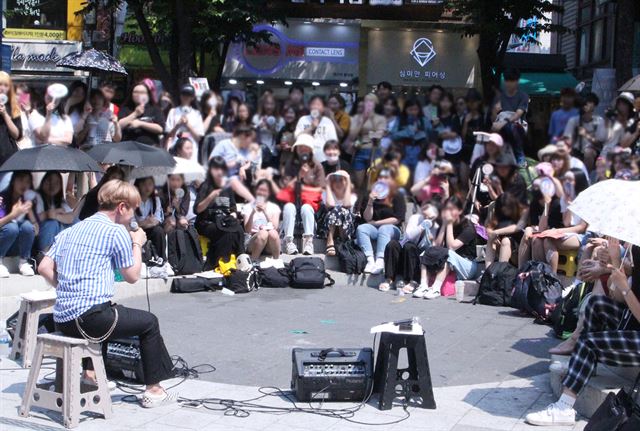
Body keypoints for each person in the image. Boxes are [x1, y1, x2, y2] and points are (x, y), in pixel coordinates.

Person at [38, 180, 176, 408]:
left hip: (62, 319)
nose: (133, 216)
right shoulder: (115, 231)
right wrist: (136, 243)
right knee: (149, 323)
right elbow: (132, 275)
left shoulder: (73, 229)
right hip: (90, 319)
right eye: (132, 209)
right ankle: (154, 389)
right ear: (122, 207)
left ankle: (90, 375)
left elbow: (44, 267)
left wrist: (66, 288)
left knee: (110, 310)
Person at [525, 245, 640, 427]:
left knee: (589, 344)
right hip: (631, 322)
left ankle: (564, 408)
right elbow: (615, 295)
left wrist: (625, 287)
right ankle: (582, 369)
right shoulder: (636, 247)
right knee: (596, 303)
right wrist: (615, 261)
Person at [414, 196, 478, 299]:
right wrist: (444, 224)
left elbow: (452, 247)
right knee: (427, 252)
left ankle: (435, 289)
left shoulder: (468, 228)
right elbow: (436, 246)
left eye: (452, 209)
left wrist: (449, 224)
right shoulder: (444, 223)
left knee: (448, 255)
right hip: (450, 262)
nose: (448, 212)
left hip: (468, 266)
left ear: (460, 211)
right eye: (446, 209)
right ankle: (423, 286)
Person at [194, 156, 245, 269]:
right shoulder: (206, 186)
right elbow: (197, 209)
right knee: (225, 232)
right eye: (216, 169)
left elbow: (233, 208)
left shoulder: (228, 187)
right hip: (207, 222)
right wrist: (210, 197)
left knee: (239, 229)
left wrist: (233, 215)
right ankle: (219, 263)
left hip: (224, 221)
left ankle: (240, 260)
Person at [280, 135, 326, 255]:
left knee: (306, 208)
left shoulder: (317, 165)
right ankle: (289, 241)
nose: (303, 150)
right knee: (289, 207)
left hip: (310, 203)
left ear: (310, 149)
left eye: (306, 147)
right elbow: (285, 187)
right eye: (300, 147)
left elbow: (320, 188)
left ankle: (309, 242)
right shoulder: (290, 163)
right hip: (292, 200)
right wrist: (299, 176)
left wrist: (306, 184)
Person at [379, 203, 439, 293]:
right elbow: (408, 236)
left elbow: (432, 247)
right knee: (393, 244)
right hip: (404, 253)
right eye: (424, 215)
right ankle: (388, 279)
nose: (427, 219)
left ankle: (413, 281)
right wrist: (421, 227)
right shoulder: (415, 218)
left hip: (418, 259)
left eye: (430, 217)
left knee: (410, 247)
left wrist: (430, 234)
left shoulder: (436, 226)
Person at [357, 173, 405, 275]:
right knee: (362, 228)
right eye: (380, 177)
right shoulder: (370, 194)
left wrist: (376, 223)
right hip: (374, 229)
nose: (382, 180)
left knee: (384, 228)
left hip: (392, 229)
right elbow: (367, 218)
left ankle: (380, 259)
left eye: (386, 177)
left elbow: (397, 219)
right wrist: (370, 201)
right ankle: (370, 259)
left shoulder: (397, 195)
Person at [0, 171, 37, 277]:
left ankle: (24, 262)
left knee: (27, 226)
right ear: (13, 182)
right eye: (20, 180)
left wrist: (30, 213)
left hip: (17, 246)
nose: (24, 185)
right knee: (12, 227)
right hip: (3, 242)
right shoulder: (2, 199)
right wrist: (13, 214)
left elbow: (36, 231)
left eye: (27, 182)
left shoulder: (28, 200)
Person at [348, 93, 386, 192]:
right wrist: (362, 121)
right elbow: (352, 136)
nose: (368, 104)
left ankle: (370, 204)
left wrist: (371, 119)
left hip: (375, 150)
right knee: (358, 183)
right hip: (360, 151)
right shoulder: (356, 117)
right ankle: (357, 204)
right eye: (366, 101)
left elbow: (379, 135)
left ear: (376, 103)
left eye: (371, 101)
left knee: (373, 182)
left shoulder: (380, 118)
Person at [209, 125, 256, 203]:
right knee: (233, 180)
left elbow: (249, 161)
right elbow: (211, 162)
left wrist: (243, 168)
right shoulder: (224, 144)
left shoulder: (244, 148)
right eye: (250, 139)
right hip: (222, 176)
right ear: (242, 136)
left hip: (239, 176)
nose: (251, 142)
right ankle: (254, 202)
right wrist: (234, 163)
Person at [492, 68, 529, 164]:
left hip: (517, 127)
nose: (509, 83)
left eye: (512, 80)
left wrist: (504, 123)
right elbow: (493, 118)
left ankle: (519, 156)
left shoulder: (523, 96)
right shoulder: (499, 97)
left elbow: (517, 114)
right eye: (507, 80)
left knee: (511, 127)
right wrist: (495, 111)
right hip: (501, 126)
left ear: (517, 81)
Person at [484, 191, 529, 268]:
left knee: (505, 241)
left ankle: (501, 272)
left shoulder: (523, 210)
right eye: (503, 209)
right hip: (502, 245)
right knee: (492, 239)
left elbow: (518, 227)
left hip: (520, 247)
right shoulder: (497, 211)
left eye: (507, 208)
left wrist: (496, 232)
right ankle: (488, 271)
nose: (505, 211)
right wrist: (491, 233)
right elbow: (489, 227)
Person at [563, 92, 606, 170]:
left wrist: (586, 135)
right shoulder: (573, 121)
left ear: (594, 105)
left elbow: (600, 143)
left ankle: (586, 176)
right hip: (576, 151)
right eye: (585, 102)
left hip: (593, 152)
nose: (587, 104)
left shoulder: (599, 121)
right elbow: (567, 139)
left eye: (590, 102)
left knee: (588, 152)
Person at [35, 172, 76, 253]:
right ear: (43, 182)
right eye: (49, 181)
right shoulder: (36, 198)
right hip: (39, 236)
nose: (52, 185)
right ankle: (44, 253)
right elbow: (34, 218)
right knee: (51, 223)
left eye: (57, 183)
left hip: (55, 235)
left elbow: (71, 218)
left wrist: (55, 215)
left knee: (76, 222)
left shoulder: (59, 200)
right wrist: (49, 214)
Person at [242, 179, 281, 260]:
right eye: (260, 190)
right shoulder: (247, 207)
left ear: (269, 193)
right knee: (263, 234)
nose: (262, 193)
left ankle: (277, 261)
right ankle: (253, 262)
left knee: (273, 233)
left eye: (265, 191)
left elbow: (275, 227)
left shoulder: (274, 207)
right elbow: (247, 230)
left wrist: (265, 212)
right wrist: (253, 212)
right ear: (256, 190)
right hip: (253, 240)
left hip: (270, 242)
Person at [164, 84, 204, 163]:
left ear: (192, 97)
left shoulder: (197, 114)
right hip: (175, 148)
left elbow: (199, 137)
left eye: (188, 95)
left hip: (191, 150)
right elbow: (168, 135)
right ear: (180, 96)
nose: (186, 97)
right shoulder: (173, 112)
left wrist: (188, 125)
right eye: (184, 94)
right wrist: (177, 125)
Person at [118, 82, 165, 147]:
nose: (138, 94)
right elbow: (119, 125)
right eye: (136, 92)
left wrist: (140, 124)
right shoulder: (125, 109)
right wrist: (135, 114)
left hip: (149, 147)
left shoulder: (155, 109)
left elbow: (160, 129)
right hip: (128, 147)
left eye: (142, 92)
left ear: (147, 95)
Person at [391, 98, 432, 172]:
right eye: (410, 109)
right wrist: (407, 131)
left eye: (416, 109)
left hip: (419, 150)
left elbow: (430, 135)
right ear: (405, 109)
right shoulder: (400, 120)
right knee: (404, 175)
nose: (413, 112)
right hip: (403, 151)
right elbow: (393, 135)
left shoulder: (423, 120)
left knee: (417, 175)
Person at [294, 95, 338, 163]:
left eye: (318, 104)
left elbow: (333, 142)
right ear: (309, 106)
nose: (315, 107)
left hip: (323, 159)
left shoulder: (327, 121)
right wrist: (311, 127)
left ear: (323, 108)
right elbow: (296, 137)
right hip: (305, 158)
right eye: (313, 104)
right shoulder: (303, 119)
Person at [323, 170, 356, 256]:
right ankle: (330, 240)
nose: (338, 182)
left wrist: (348, 181)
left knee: (342, 210)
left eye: (341, 180)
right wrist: (327, 185)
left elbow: (346, 205)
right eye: (335, 180)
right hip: (329, 227)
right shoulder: (326, 193)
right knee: (335, 209)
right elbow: (330, 205)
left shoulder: (352, 195)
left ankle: (339, 242)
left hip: (344, 229)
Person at [0, 72, 23, 192]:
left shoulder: (13, 108)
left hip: (7, 159)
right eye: (0, 85)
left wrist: (5, 115)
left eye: (6, 85)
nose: (2, 88)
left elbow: (17, 135)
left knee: (5, 193)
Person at [134, 177, 166, 262]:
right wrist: (145, 222)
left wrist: (147, 223)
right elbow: (132, 223)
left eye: (150, 184)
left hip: (151, 229)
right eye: (144, 184)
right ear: (138, 185)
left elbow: (157, 219)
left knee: (159, 231)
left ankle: (161, 259)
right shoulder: (133, 200)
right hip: (137, 230)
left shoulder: (155, 199)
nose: (147, 188)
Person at [252, 93, 284, 168]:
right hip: (258, 152)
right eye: (267, 103)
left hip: (273, 153)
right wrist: (259, 126)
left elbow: (280, 137)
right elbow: (251, 134)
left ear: (275, 105)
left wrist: (272, 128)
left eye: (272, 104)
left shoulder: (280, 120)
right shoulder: (256, 118)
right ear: (263, 104)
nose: (269, 106)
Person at [15, 83, 40, 150]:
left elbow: (38, 133)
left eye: (23, 95)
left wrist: (28, 113)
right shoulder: (13, 113)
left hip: (33, 149)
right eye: (17, 94)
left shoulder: (34, 113)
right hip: (17, 150)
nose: (19, 98)